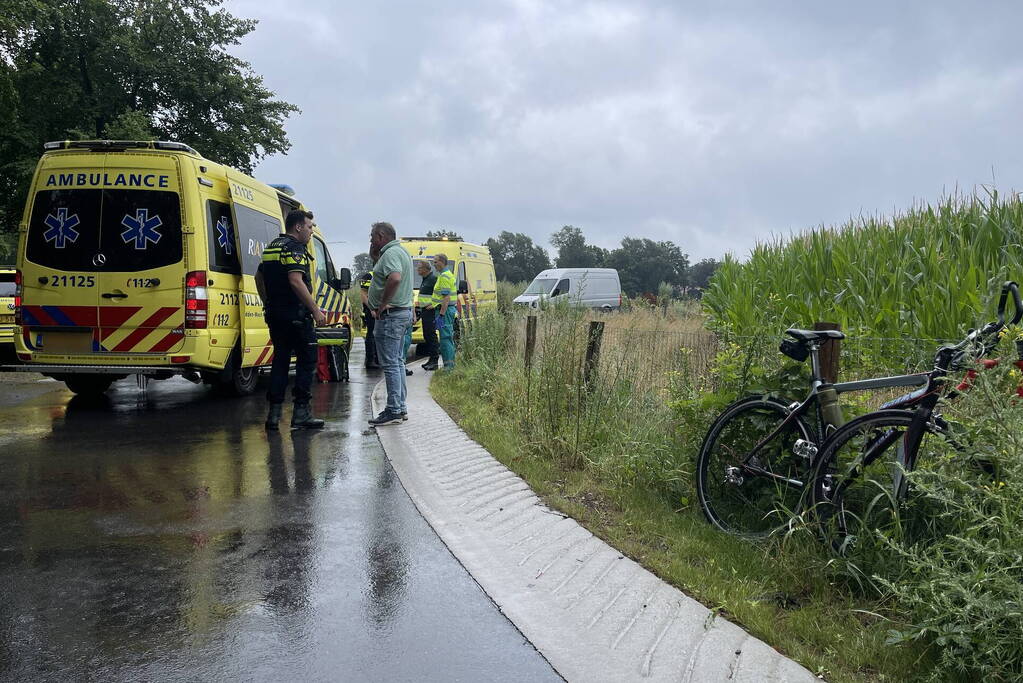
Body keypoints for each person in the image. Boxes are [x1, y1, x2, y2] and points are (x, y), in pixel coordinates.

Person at [255, 209, 327, 430]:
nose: (311, 231)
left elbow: (258, 277)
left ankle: (274, 415)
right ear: (298, 227)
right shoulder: (295, 249)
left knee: (280, 361)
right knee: (307, 362)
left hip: (275, 315)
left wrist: (267, 302)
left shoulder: (271, 247)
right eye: (309, 227)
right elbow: (296, 281)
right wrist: (315, 309)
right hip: (296, 316)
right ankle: (301, 413)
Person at [366, 221, 414, 426]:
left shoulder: (391, 254)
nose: (370, 240)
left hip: (391, 315)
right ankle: (400, 407)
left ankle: (394, 408)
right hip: (399, 313)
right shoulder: (401, 252)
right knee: (397, 361)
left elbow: (394, 278)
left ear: (381, 236)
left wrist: (383, 304)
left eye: (372, 237)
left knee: (391, 363)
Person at [432, 253, 458, 370]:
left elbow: (446, 298)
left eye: (436, 262)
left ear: (442, 262)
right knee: (446, 337)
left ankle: (449, 367)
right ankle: (450, 364)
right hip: (446, 310)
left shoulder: (444, 276)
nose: (434, 264)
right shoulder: (445, 274)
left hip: (445, 311)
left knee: (445, 338)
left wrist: (441, 315)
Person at [415, 259, 439, 371]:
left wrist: (434, 304)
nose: (417, 269)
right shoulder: (425, 279)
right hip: (424, 311)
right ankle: (431, 359)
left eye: (419, 268)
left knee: (431, 335)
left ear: (425, 269)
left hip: (430, 311)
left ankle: (435, 361)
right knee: (426, 335)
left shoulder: (433, 279)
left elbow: (443, 294)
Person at [358, 271, 380, 369]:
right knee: (371, 334)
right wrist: (371, 308)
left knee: (379, 335)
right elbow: (363, 294)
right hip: (371, 311)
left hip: (380, 310)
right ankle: (370, 360)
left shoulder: (384, 274)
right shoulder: (369, 275)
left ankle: (378, 359)